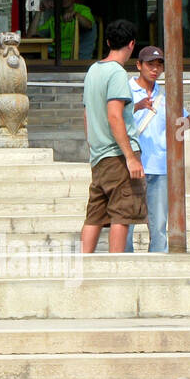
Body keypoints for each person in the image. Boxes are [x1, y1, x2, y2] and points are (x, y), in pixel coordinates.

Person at [79, 19, 146, 254]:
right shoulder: (117, 73)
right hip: (117, 154)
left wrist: (93, 146)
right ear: (131, 44)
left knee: (95, 215)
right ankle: (115, 268)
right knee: (122, 213)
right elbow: (115, 115)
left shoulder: (93, 71)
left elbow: (88, 113)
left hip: (98, 155)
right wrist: (130, 156)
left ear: (107, 42)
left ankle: (84, 264)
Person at [126, 46, 190, 252]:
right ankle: (125, 258)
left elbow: (188, 120)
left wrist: (179, 125)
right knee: (126, 220)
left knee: (159, 223)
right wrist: (137, 107)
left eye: (159, 65)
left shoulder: (166, 95)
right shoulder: (126, 89)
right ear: (139, 65)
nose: (154, 69)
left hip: (160, 166)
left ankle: (157, 259)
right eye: (150, 64)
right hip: (133, 163)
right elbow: (114, 118)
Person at [28, 0, 95, 60]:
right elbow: (31, 37)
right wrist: (39, 10)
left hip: (72, 61)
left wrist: (75, 14)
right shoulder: (55, 17)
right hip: (53, 58)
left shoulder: (82, 10)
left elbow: (89, 25)